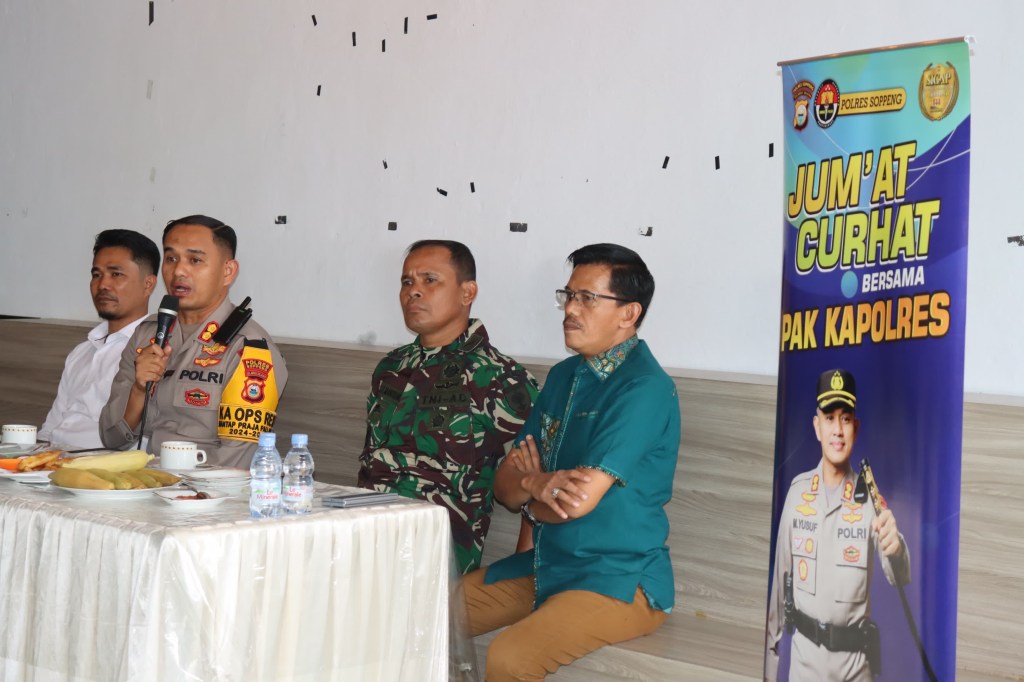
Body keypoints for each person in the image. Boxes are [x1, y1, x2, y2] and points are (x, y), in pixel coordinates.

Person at [462, 243, 680, 681]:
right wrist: (534, 486)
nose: (570, 309)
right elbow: (506, 485)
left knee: (510, 656)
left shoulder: (644, 389)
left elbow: (574, 503)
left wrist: (531, 494)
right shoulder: (564, 376)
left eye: (588, 298)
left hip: (618, 578)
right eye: (569, 295)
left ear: (628, 313)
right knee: (429, 611)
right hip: (546, 564)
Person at [358, 239, 538, 574]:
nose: (413, 291)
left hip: (434, 552)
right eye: (407, 281)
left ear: (467, 293)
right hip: (364, 532)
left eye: (430, 280)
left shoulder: (500, 378)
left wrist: (522, 568)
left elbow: (536, 477)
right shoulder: (391, 368)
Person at [100, 215, 288, 468]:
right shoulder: (147, 335)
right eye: (171, 258)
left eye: (195, 260)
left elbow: (235, 463)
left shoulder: (250, 349)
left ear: (228, 272)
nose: (178, 271)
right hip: (148, 477)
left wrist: (167, 485)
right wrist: (138, 389)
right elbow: (111, 439)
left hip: (202, 485)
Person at [764, 369, 911, 682]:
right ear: (817, 427)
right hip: (805, 666)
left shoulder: (870, 499)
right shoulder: (797, 493)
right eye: (829, 418)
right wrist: (768, 669)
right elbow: (777, 588)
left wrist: (896, 547)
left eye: (845, 419)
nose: (838, 430)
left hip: (855, 669)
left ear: (855, 427)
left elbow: (898, 576)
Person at [39, 229, 160, 449]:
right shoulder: (82, 351)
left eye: (116, 274)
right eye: (96, 274)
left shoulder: (155, 352)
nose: (102, 284)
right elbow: (50, 429)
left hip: (103, 465)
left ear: (148, 284)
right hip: (51, 459)